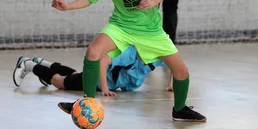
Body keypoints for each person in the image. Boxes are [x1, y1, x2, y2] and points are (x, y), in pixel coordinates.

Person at [46, 0, 206, 122]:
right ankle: (87, 101)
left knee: (181, 72)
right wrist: (68, 6)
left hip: (150, 31)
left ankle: (179, 109)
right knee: (93, 52)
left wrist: (154, 0)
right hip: (121, 26)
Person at [12, 46, 168, 95]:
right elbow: (102, 62)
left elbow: (176, 65)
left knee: (74, 75)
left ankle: (42, 63)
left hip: (100, 81)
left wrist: (171, 85)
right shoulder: (129, 54)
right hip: (97, 82)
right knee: (60, 82)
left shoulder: (156, 56)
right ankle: (27, 64)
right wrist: (105, 89)